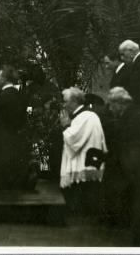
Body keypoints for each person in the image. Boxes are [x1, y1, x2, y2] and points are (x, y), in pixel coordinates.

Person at [101, 87, 140, 229]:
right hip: (129, 163)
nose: (110, 109)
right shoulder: (133, 115)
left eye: (111, 105)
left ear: (119, 104)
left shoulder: (134, 118)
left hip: (130, 165)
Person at [59, 87, 107, 215]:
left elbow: (74, 139)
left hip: (85, 163)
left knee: (84, 196)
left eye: (66, 102)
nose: (64, 105)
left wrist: (65, 126)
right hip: (88, 160)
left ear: (74, 101)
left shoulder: (86, 116)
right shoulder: (84, 115)